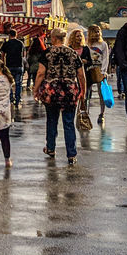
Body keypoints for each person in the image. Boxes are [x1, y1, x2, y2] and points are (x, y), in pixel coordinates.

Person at [36, 28, 87, 165]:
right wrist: (83, 91)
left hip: (52, 91)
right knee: (68, 123)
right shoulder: (73, 53)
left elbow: (41, 73)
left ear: (53, 38)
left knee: (52, 120)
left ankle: (51, 148)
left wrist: (36, 90)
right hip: (70, 91)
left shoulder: (47, 53)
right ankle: (71, 154)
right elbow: (81, 74)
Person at [85, 25, 109, 124]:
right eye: (95, 31)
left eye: (99, 31)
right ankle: (85, 112)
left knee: (101, 93)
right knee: (87, 93)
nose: (97, 33)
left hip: (99, 69)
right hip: (88, 69)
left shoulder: (103, 44)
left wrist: (103, 71)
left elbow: (105, 58)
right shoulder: (86, 44)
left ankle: (102, 113)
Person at [2, 30, 26, 105]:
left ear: (9, 35)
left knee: (9, 83)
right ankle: (18, 98)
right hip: (19, 65)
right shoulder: (20, 43)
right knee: (18, 83)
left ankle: (11, 97)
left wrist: (3, 63)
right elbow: (23, 55)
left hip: (9, 66)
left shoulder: (6, 43)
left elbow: (3, 54)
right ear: (16, 34)